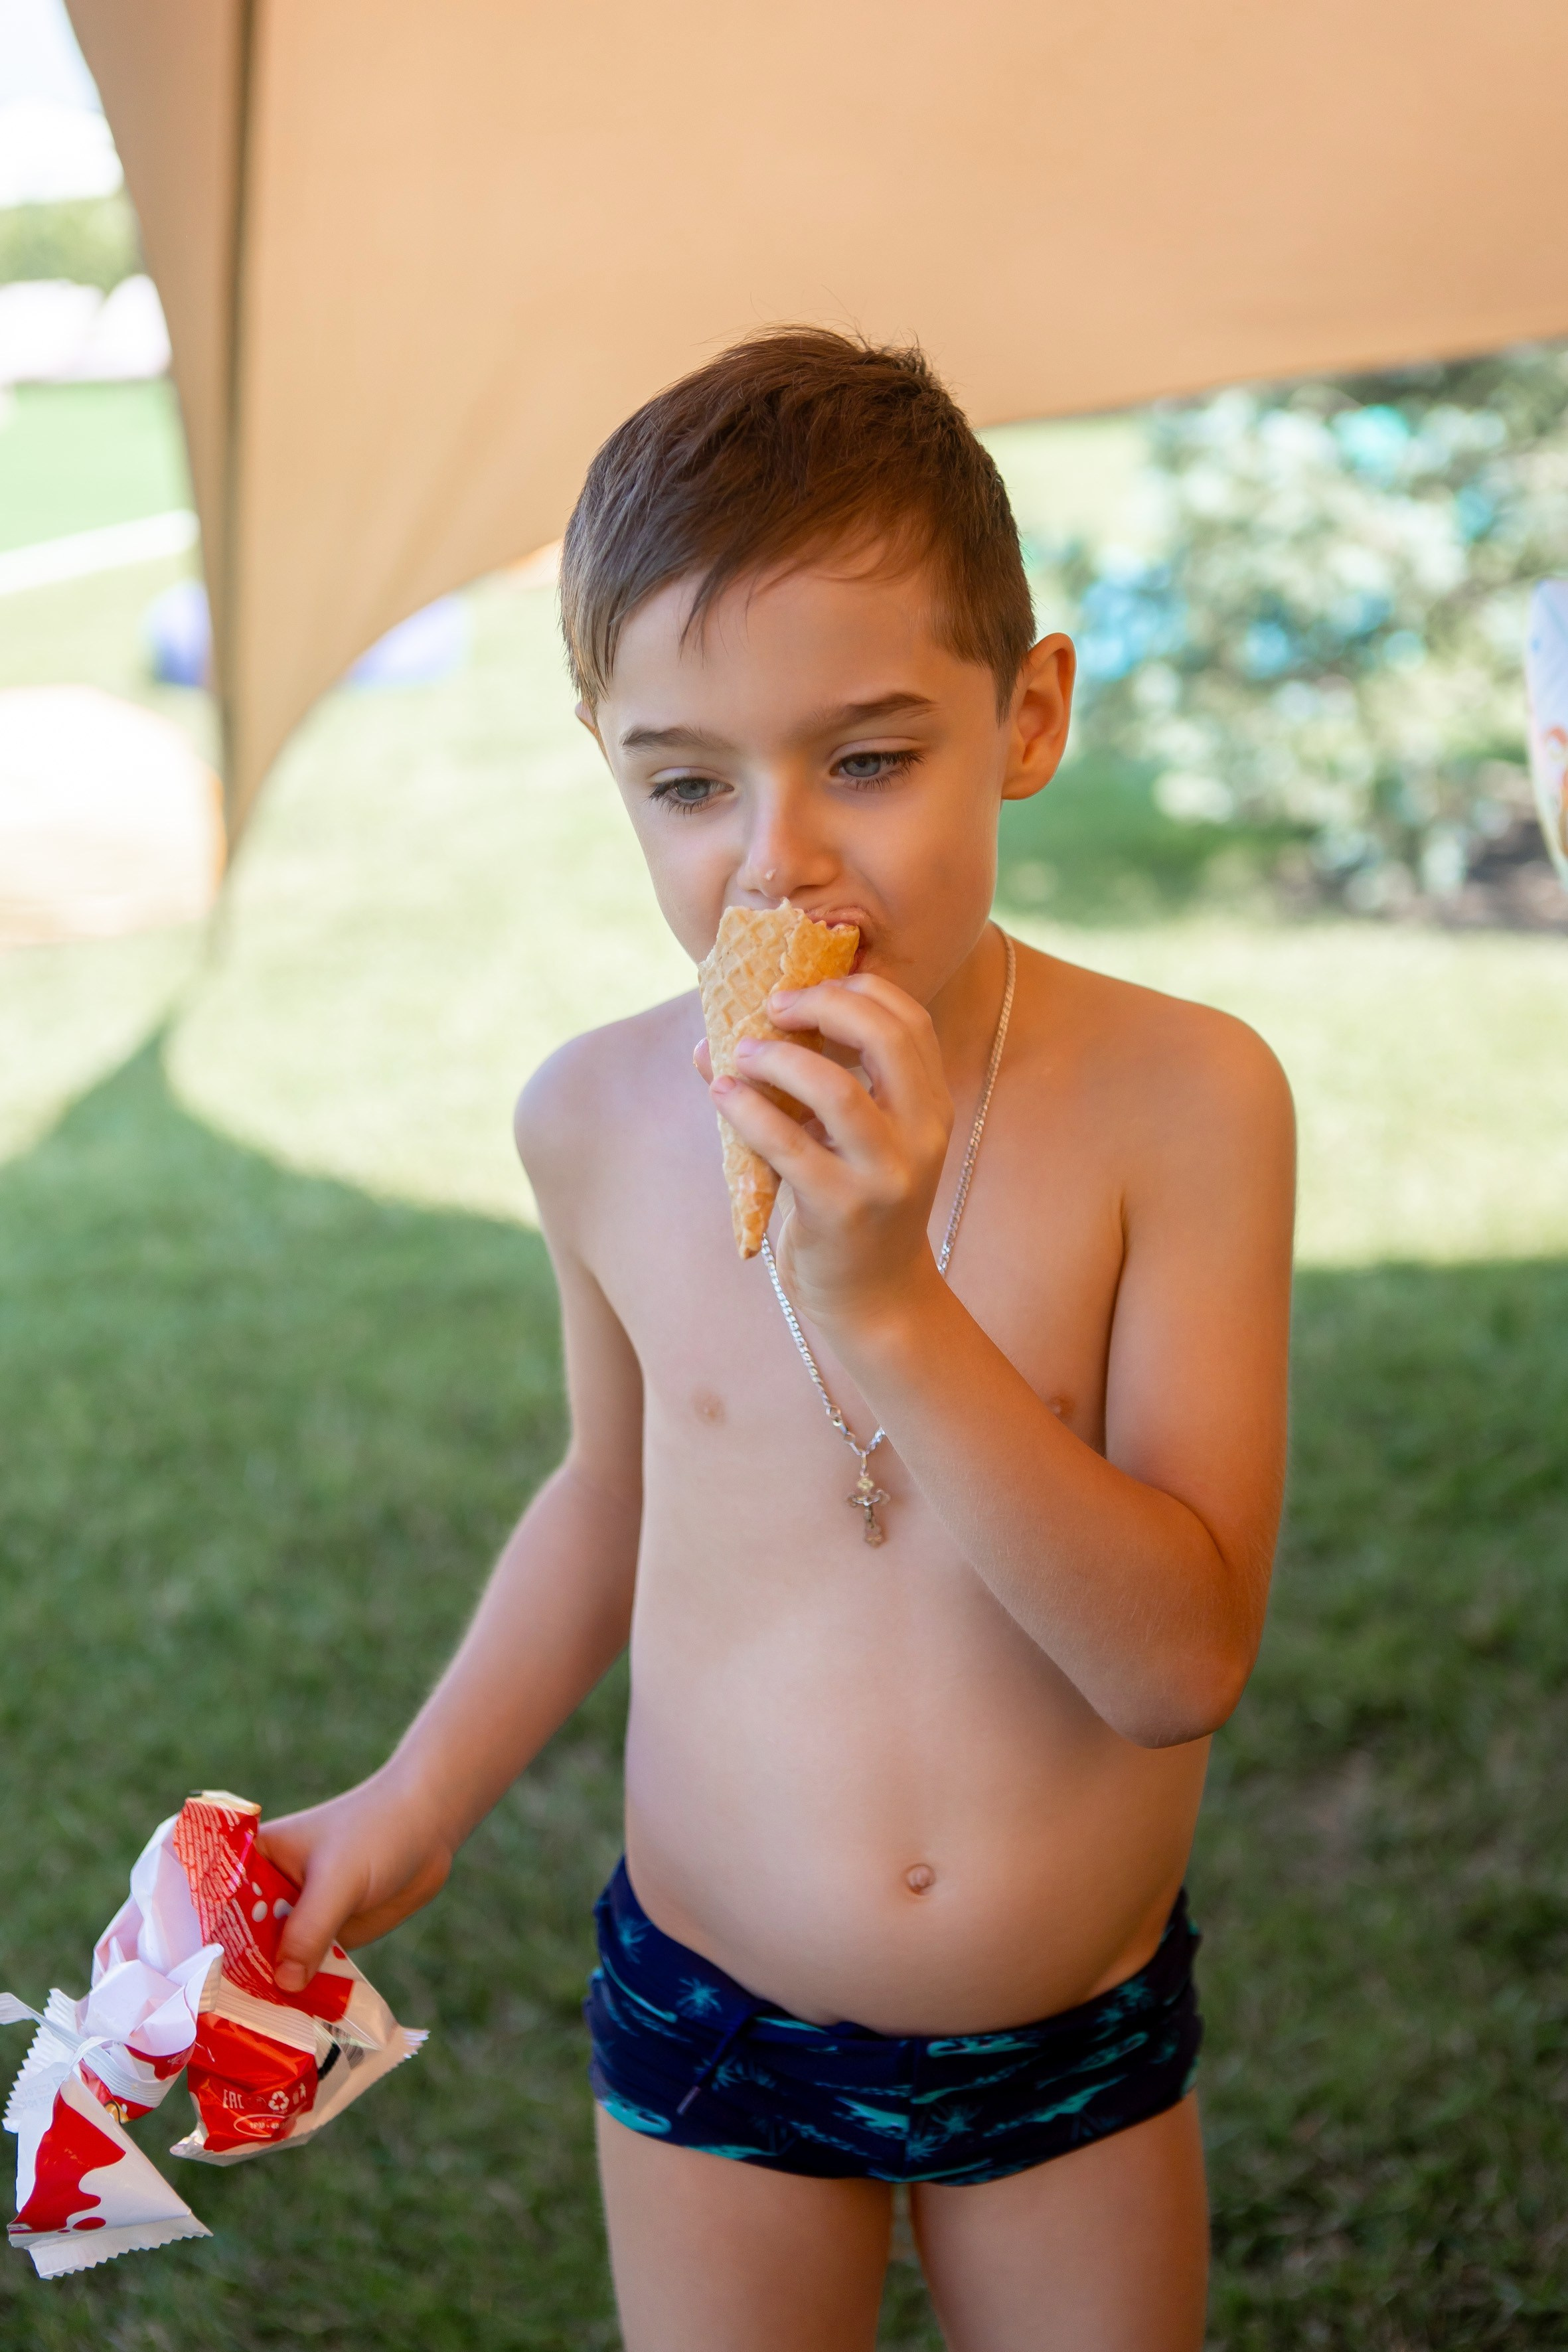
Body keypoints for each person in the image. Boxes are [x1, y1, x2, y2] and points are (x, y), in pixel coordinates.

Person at [261, 329, 1294, 2351]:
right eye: (686, 782)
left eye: (871, 756)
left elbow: (1174, 1663)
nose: (779, 857)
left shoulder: (1187, 1103)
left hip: (1058, 2034)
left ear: (1028, 715)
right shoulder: (589, 1119)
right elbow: (609, 1486)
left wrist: (884, 1296)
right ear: (611, 770)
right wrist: (415, 1793)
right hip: (711, 2019)